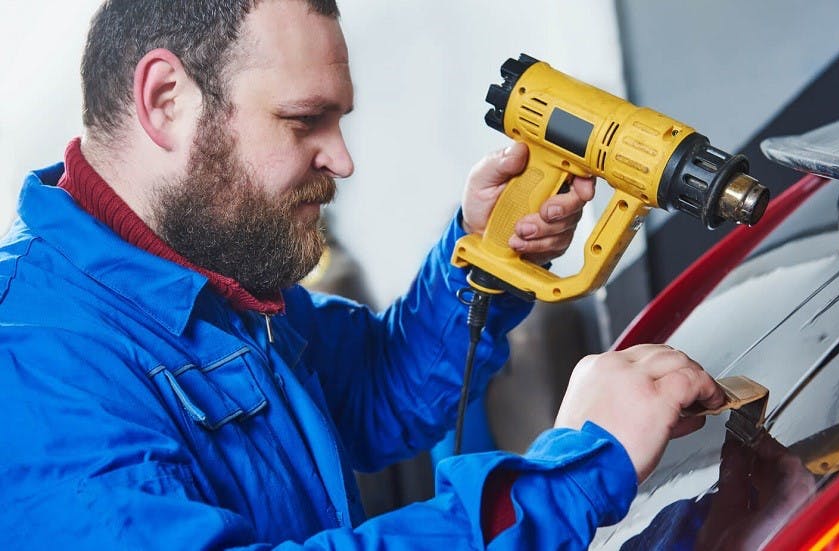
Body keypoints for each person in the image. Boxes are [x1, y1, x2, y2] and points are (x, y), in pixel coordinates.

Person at [0, 1, 725, 548]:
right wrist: (562, 483)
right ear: (165, 99)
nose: (341, 158)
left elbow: (378, 391)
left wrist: (484, 251)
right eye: (303, 120)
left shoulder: (208, 275)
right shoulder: (30, 371)